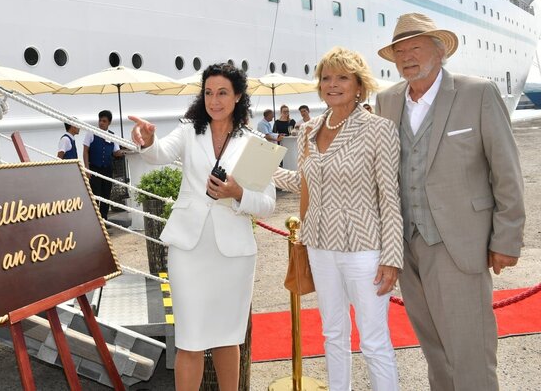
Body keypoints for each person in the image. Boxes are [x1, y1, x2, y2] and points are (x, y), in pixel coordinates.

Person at [376, 12, 525, 391]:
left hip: (459, 243)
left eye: (416, 48)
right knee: (434, 349)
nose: (407, 57)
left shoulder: (477, 92)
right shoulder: (387, 101)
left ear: (439, 51)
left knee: (470, 350)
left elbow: (505, 171)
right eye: (400, 51)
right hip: (407, 246)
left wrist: (506, 239)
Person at [129, 63, 276, 391]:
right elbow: (159, 154)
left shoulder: (255, 143)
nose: (214, 100)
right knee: (189, 339)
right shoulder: (188, 130)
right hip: (189, 249)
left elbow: (267, 203)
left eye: (222, 92)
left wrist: (237, 193)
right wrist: (148, 142)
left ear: (237, 96)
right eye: (208, 92)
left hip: (234, 254)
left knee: (228, 337)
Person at [274, 47, 402, 391]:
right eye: (326, 78)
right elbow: (306, 182)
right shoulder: (308, 130)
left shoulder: (379, 129)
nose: (332, 84)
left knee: (374, 340)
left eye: (342, 77)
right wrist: (259, 173)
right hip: (319, 246)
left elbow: (390, 197)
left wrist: (392, 258)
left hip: (365, 250)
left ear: (360, 85)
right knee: (333, 333)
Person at [82, 110, 124, 220]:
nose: (101, 123)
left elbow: (116, 152)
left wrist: (125, 148)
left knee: (106, 194)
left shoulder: (112, 136)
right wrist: (87, 168)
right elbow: (85, 151)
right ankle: (95, 219)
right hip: (94, 168)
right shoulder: (91, 132)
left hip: (107, 169)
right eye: (100, 120)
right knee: (95, 194)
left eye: (104, 121)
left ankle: (104, 219)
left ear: (109, 122)